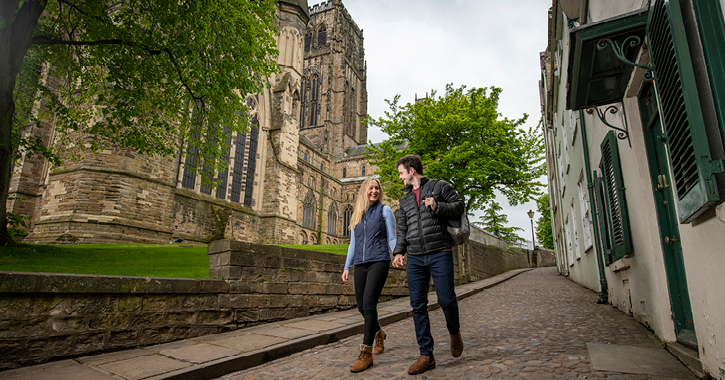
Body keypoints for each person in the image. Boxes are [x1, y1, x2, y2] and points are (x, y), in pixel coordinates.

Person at [392, 154, 465, 375]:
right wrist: (398, 252)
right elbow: (402, 229)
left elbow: (459, 207)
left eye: (401, 173)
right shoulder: (404, 200)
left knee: (446, 299)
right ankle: (427, 354)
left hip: (439, 251)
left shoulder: (439, 186)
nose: (400, 178)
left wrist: (438, 205)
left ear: (412, 171)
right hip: (414, 257)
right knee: (418, 306)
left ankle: (454, 332)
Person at [341, 177, 397, 373]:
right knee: (361, 306)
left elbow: (392, 236)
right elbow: (353, 244)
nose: (374, 191)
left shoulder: (385, 210)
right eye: (371, 188)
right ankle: (379, 332)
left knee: (369, 303)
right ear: (364, 190)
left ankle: (366, 353)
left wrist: (397, 253)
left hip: (379, 260)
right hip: (360, 264)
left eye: (377, 188)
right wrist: (347, 266)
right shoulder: (357, 214)